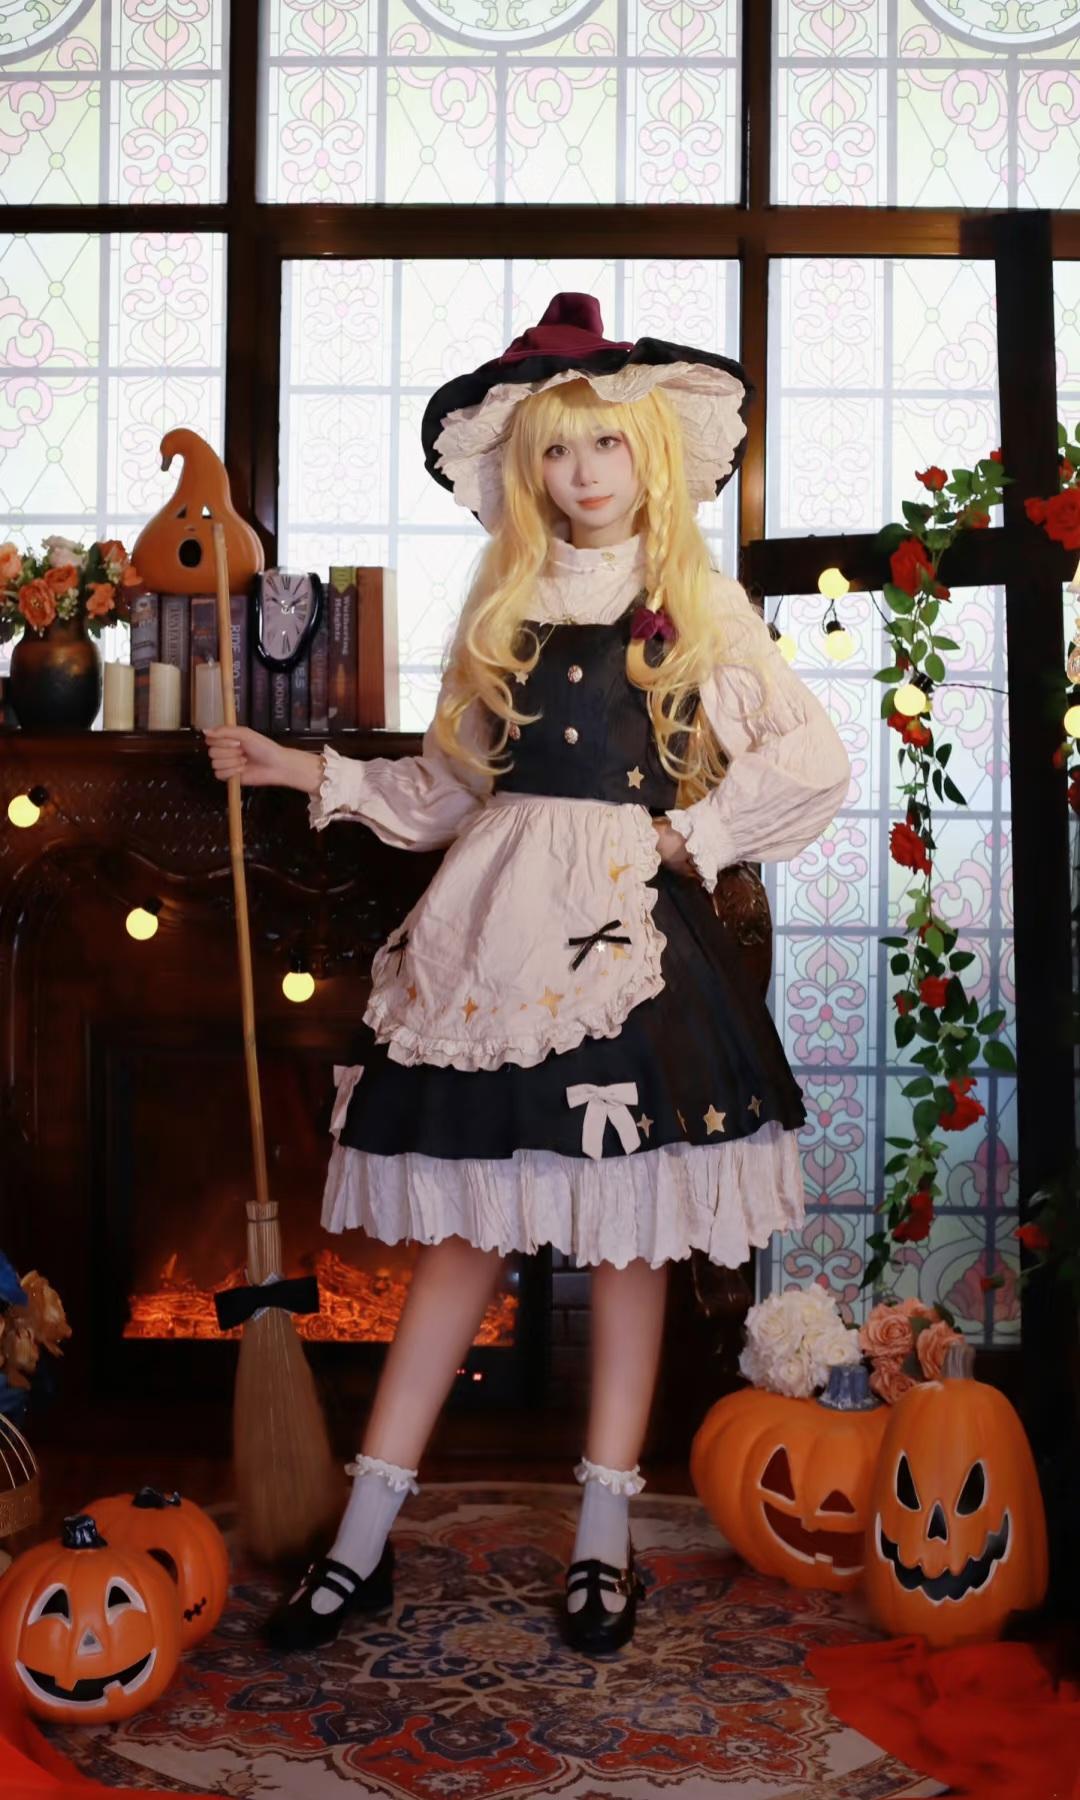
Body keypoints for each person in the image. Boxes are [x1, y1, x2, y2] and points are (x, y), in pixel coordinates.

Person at [204, 292, 851, 1658]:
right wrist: (298, 768)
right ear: (526, 468)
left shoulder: (697, 604)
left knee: (625, 1245)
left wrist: (692, 835)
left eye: (604, 444)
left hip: (626, 952)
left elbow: (811, 757)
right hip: (491, 940)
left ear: (649, 453)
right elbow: (449, 793)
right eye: (556, 450)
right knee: (463, 1241)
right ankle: (362, 1539)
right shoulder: (504, 606)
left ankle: (605, 1543)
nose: (582, 472)